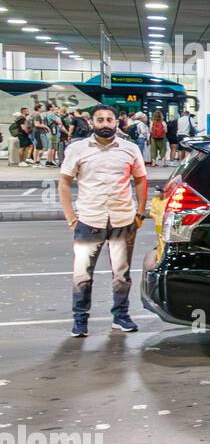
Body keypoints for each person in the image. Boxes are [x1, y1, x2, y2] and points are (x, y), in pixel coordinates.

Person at [58, 105, 149, 337]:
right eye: (100, 120)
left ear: (116, 122)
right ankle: (80, 320)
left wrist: (139, 213)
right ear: (93, 123)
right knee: (82, 274)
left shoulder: (129, 149)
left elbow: (140, 180)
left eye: (109, 119)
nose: (105, 123)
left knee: (121, 274)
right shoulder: (77, 149)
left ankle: (120, 316)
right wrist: (71, 218)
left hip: (123, 219)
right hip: (89, 219)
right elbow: (65, 182)